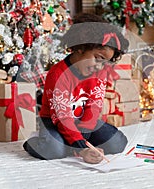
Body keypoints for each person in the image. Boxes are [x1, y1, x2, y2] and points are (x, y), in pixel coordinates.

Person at [23, 13, 129, 164]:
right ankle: (35, 142)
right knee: (53, 150)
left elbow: (94, 107)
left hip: (82, 122)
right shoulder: (58, 74)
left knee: (117, 142)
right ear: (80, 47)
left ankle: (69, 144)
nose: (99, 66)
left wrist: (84, 140)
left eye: (104, 62)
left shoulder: (99, 72)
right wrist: (81, 148)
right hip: (56, 122)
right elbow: (62, 117)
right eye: (98, 58)